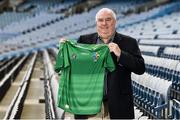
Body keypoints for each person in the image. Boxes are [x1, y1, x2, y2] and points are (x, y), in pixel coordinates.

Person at [60, 8, 145, 119]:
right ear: (96, 23)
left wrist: (121, 54)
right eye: (100, 20)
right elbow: (74, 66)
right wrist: (65, 51)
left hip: (118, 105)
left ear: (115, 22)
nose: (104, 23)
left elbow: (140, 68)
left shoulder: (129, 42)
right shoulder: (84, 40)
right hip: (88, 104)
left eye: (108, 19)